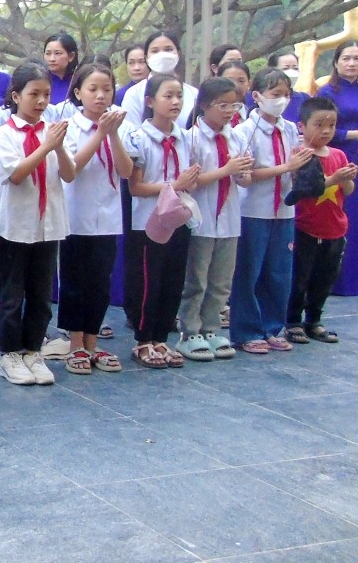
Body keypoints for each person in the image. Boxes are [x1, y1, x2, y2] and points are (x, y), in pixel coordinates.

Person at [0, 62, 77, 386]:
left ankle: (32, 351)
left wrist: (58, 146)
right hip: (16, 226)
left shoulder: (52, 132)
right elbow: (16, 175)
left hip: (48, 224)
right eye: (33, 94)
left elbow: (69, 174)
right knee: (11, 295)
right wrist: (46, 146)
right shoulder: (4, 134)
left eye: (46, 95)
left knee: (41, 296)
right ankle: (8, 354)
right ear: (16, 96)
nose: (41, 101)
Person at [123, 73, 201, 369]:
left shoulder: (186, 138)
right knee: (147, 281)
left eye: (179, 96)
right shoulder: (138, 138)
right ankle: (143, 339)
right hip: (148, 221)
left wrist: (186, 184)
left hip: (178, 218)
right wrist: (174, 185)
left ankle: (161, 338)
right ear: (150, 101)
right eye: (168, 96)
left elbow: (191, 179)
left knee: (173, 279)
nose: (175, 102)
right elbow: (135, 187)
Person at [230, 68, 310, 355]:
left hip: (284, 211)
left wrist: (300, 169)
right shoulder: (244, 132)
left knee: (279, 272)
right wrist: (286, 167)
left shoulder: (289, 129)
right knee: (249, 272)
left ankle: (272, 327)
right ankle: (247, 330)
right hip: (253, 209)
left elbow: (295, 166)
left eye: (286, 95)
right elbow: (247, 174)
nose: (282, 100)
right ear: (257, 96)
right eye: (275, 94)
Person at [58, 62, 131, 373]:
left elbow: (126, 171)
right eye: (93, 89)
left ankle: (92, 342)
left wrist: (112, 134)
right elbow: (73, 167)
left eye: (107, 89)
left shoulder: (120, 125)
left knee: (101, 282)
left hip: (108, 217)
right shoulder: (69, 126)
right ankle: (75, 342)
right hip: (76, 216)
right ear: (78, 93)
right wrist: (100, 133)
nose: (101, 95)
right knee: (74, 281)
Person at [176, 77, 251, 362]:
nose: (230, 111)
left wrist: (242, 173)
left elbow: (245, 180)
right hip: (201, 219)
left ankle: (211, 329)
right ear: (205, 105)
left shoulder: (236, 137)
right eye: (223, 105)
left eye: (235, 105)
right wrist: (226, 169)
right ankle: (189, 331)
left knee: (221, 281)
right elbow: (191, 183)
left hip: (229, 218)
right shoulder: (191, 138)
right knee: (197, 279)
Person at [287, 97, 358, 343]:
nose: (326, 131)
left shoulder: (338, 154)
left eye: (332, 125)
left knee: (325, 277)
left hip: (334, 227)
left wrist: (346, 178)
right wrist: (334, 178)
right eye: (319, 125)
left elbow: (348, 190)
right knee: (300, 277)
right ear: (301, 126)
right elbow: (306, 189)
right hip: (305, 226)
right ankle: (293, 320)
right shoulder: (300, 155)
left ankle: (314, 319)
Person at [316, 41, 358, 296]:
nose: (352, 63)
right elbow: (318, 127)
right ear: (336, 62)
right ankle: (331, 280)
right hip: (335, 157)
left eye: (357, 58)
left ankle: (356, 280)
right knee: (335, 213)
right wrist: (353, 134)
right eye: (346, 58)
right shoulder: (327, 92)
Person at [120, 31, 199, 127]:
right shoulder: (134, 94)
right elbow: (130, 131)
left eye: (168, 49)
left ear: (178, 54)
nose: (162, 55)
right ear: (146, 57)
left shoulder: (194, 94)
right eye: (155, 51)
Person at [43, 33, 80, 104]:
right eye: (48, 53)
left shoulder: (80, 81)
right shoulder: (37, 80)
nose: (52, 59)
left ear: (71, 56)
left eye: (57, 53)